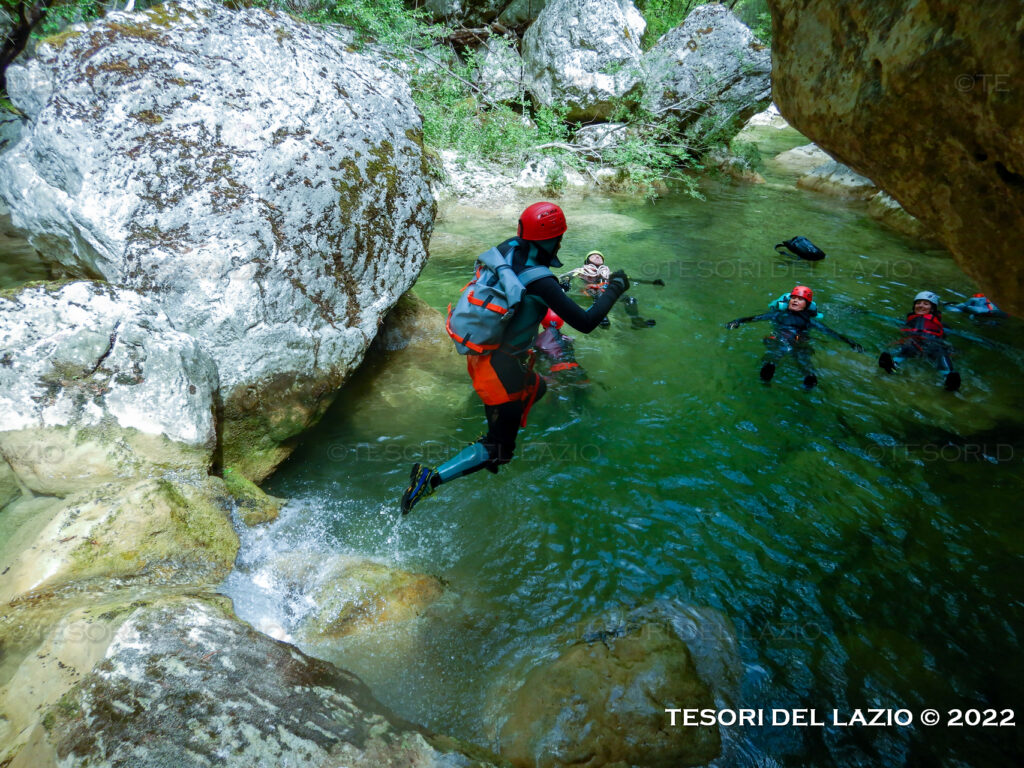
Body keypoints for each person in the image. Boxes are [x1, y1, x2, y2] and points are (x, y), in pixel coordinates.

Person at [401, 202, 630, 514]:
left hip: (484, 354)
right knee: (501, 451)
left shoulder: (507, 249)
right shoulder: (542, 281)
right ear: (553, 239)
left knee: (538, 388)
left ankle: (495, 430)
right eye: (559, 237)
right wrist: (615, 288)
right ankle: (431, 479)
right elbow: (587, 323)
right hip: (500, 370)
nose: (561, 242)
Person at [725, 285, 864, 388]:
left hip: (799, 342)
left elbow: (829, 332)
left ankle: (808, 381)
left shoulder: (809, 321)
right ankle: (769, 372)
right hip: (781, 338)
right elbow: (755, 318)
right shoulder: (778, 315)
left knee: (805, 363)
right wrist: (737, 321)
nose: (795, 301)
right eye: (793, 298)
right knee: (774, 354)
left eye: (800, 299)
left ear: (807, 304)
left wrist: (851, 343)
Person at [878, 291, 961, 391]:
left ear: (932, 308)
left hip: (933, 343)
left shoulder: (943, 325)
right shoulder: (907, 321)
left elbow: (947, 336)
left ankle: (948, 377)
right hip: (913, 341)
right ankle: (892, 365)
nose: (921, 306)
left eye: (926, 304)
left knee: (940, 352)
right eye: (918, 303)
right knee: (908, 346)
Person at [560, 251, 656, 329]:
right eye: (593, 256)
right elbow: (568, 277)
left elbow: (629, 278)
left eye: (600, 256)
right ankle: (601, 319)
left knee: (630, 300)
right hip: (589, 290)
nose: (597, 256)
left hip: (605, 290)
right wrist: (566, 283)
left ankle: (636, 321)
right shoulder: (580, 271)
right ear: (587, 261)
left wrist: (649, 282)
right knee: (599, 293)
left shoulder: (609, 273)